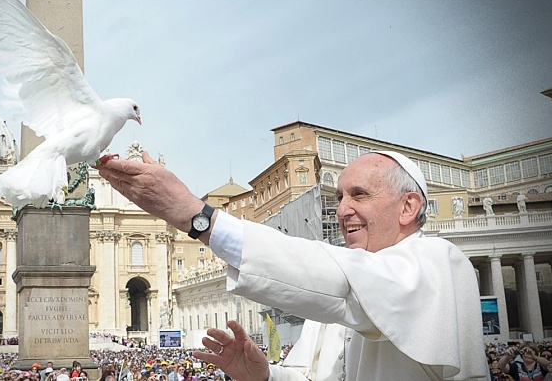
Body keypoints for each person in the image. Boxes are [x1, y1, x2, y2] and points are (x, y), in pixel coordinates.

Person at [97, 150, 488, 380]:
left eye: (360, 195)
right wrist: (266, 375)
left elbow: (344, 281)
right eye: (339, 196)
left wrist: (198, 218)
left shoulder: (439, 263)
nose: (342, 209)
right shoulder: (341, 297)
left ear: (408, 207)